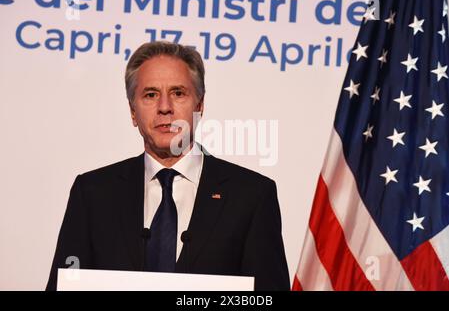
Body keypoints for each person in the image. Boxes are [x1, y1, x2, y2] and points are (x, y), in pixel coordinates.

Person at [46, 41, 290, 291]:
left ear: (199, 105)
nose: (165, 108)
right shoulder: (92, 193)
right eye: (150, 95)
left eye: (178, 93)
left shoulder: (251, 196)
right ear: (132, 111)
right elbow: (64, 285)